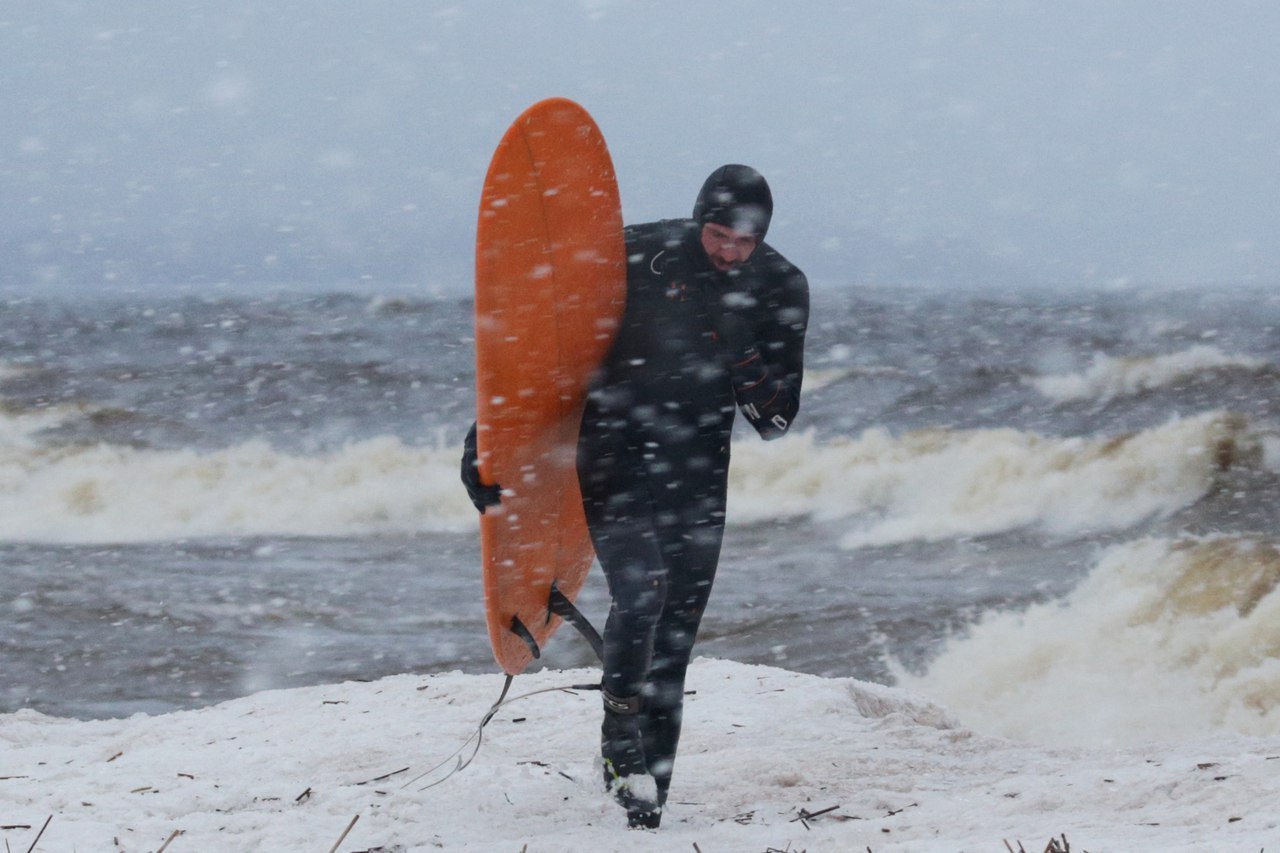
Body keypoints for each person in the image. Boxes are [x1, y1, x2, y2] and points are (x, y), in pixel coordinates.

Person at [462, 164, 809, 829]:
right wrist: (488, 438)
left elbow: (775, 420)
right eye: (717, 234)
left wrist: (742, 352)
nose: (730, 251)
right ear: (698, 217)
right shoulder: (632, 253)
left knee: (674, 634)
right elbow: (546, 356)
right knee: (642, 590)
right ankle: (621, 738)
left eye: (745, 240)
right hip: (614, 444)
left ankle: (649, 799)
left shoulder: (780, 286)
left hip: (699, 462)